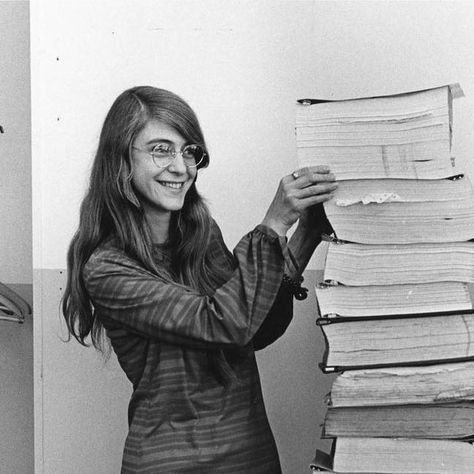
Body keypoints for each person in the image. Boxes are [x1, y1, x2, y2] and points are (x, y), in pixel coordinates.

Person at [62, 86, 337, 474]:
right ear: (120, 159)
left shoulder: (201, 235)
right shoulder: (107, 268)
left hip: (250, 453)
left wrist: (307, 233)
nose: (181, 166)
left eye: (189, 151)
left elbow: (256, 330)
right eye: (161, 149)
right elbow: (223, 322)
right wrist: (274, 223)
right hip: (172, 462)